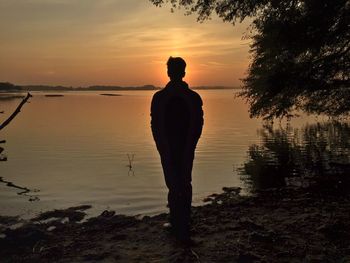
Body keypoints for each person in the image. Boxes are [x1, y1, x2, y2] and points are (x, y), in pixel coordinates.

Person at [150, 57, 203, 243]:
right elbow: (156, 125)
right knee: (181, 182)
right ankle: (180, 219)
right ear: (183, 73)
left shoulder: (161, 98)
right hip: (174, 147)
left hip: (177, 148)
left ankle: (179, 220)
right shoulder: (191, 97)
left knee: (177, 183)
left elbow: (155, 126)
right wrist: (164, 146)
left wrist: (165, 146)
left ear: (169, 73)